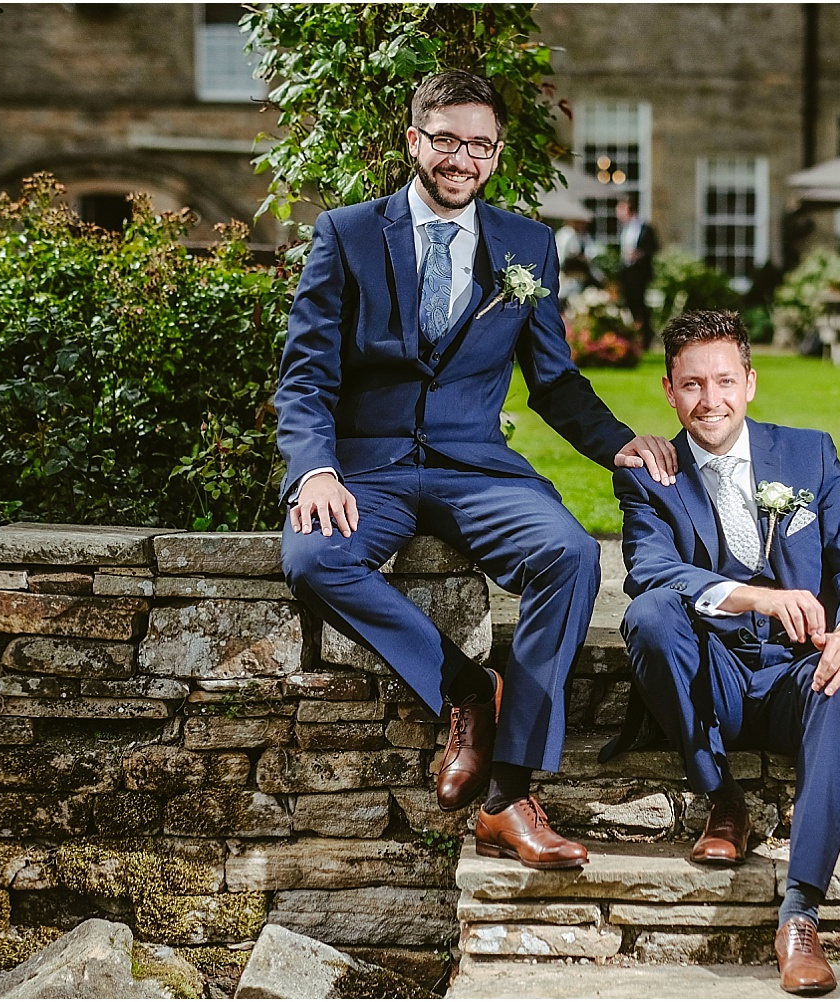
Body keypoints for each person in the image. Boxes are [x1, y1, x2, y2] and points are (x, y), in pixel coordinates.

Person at [276, 70, 678, 872]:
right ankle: (466, 690)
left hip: (476, 467)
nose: (463, 158)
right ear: (415, 140)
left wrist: (618, 441)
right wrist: (315, 470)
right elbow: (307, 373)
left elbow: (554, 379)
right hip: (369, 468)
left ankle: (508, 797)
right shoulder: (348, 232)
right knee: (314, 557)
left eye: (480, 145)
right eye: (448, 140)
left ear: (495, 155)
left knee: (568, 553)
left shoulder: (527, 245)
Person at [606, 310, 840, 996]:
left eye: (725, 381)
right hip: (718, 678)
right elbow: (651, 572)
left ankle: (800, 916)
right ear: (670, 392)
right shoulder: (651, 477)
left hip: (802, 671)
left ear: (751, 382)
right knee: (648, 616)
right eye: (692, 385)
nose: (711, 401)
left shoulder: (809, 454)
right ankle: (723, 798)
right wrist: (753, 597)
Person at [615, 195, 659, 348]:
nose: (618, 213)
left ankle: (645, 339)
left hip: (640, 274)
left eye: (621, 209)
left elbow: (653, 248)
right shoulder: (624, 229)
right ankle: (631, 338)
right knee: (628, 305)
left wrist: (639, 254)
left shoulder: (645, 228)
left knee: (640, 306)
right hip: (626, 273)